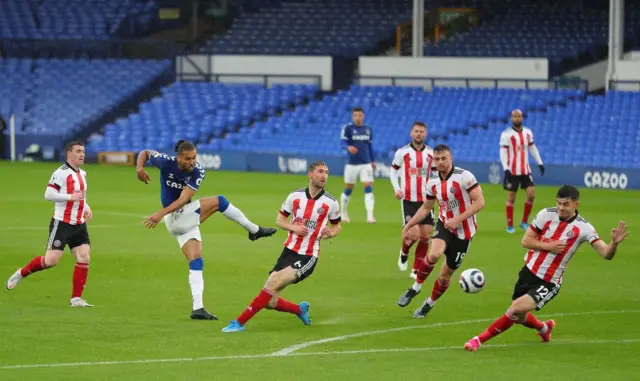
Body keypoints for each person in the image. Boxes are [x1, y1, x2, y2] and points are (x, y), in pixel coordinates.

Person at [464, 185, 629, 351]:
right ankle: (544, 328)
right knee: (519, 316)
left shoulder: (584, 228)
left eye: (565, 204)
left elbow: (606, 254)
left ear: (575, 205)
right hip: (528, 271)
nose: (560, 208)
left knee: (515, 309)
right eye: (558, 203)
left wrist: (614, 243)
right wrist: (548, 246)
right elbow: (526, 241)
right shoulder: (546, 214)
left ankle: (478, 340)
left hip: (550, 281)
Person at [136, 140, 277, 320]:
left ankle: (198, 308)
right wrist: (139, 169)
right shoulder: (165, 162)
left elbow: (183, 198)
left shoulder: (198, 171)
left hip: (180, 217)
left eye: (194, 157)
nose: (192, 161)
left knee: (196, 261)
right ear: (178, 157)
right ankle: (254, 230)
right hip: (176, 217)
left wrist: (160, 213)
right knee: (220, 201)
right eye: (188, 158)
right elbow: (145, 152)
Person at [222, 161, 341, 333]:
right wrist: (294, 228)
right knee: (270, 301)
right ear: (310, 174)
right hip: (288, 251)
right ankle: (299, 310)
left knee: (272, 283)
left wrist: (331, 232)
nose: (325, 176)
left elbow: (337, 226)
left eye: (327, 172)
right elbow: (279, 220)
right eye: (321, 172)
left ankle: (238, 323)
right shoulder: (295, 196)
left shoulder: (331, 203)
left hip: (308, 255)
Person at [396, 145, 485, 318]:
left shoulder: (464, 177)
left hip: (464, 234)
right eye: (437, 159)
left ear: (451, 158)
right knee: (434, 255)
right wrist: (407, 226)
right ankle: (414, 289)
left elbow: (480, 202)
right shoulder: (432, 183)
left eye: (444, 158)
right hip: (444, 226)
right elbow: (426, 208)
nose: (440, 162)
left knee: (444, 276)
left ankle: (428, 304)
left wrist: (458, 220)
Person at [6, 141, 94, 307]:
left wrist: (86, 207)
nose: (82, 154)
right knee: (51, 261)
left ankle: (76, 299)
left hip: (79, 223)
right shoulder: (60, 173)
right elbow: (49, 194)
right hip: (62, 223)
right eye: (78, 151)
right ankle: (21, 273)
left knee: (84, 257)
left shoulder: (82, 173)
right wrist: (69, 197)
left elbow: (81, 196)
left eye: (83, 151)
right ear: (69, 154)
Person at [390, 121, 435, 279]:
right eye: (416, 131)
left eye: (421, 131)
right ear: (411, 133)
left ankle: (416, 269)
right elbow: (393, 172)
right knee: (413, 235)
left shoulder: (431, 153)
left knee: (425, 236)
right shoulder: (402, 152)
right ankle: (404, 251)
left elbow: (436, 175)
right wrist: (397, 188)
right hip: (408, 199)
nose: (418, 134)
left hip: (427, 201)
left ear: (425, 134)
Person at [500, 109, 545, 234]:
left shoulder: (527, 132)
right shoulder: (506, 134)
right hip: (513, 171)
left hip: (525, 170)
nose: (517, 118)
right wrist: (506, 168)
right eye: (514, 116)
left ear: (522, 118)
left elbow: (532, 148)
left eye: (519, 116)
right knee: (511, 198)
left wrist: (540, 163)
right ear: (511, 118)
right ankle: (510, 225)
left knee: (531, 195)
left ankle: (524, 222)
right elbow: (503, 152)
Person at [340, 107, 376, 223]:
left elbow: (369, 146)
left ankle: (370, 216)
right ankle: (343, 212)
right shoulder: (348, 128)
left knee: (368, 186)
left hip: (365, 163)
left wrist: (373, 160)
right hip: (351, 164)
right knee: (349, 188)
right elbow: (342, 142)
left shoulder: (368, 129)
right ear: (352, 116)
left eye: (360, 115)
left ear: (363, 116)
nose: (357, 117)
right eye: (355, 115)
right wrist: (348, 147)